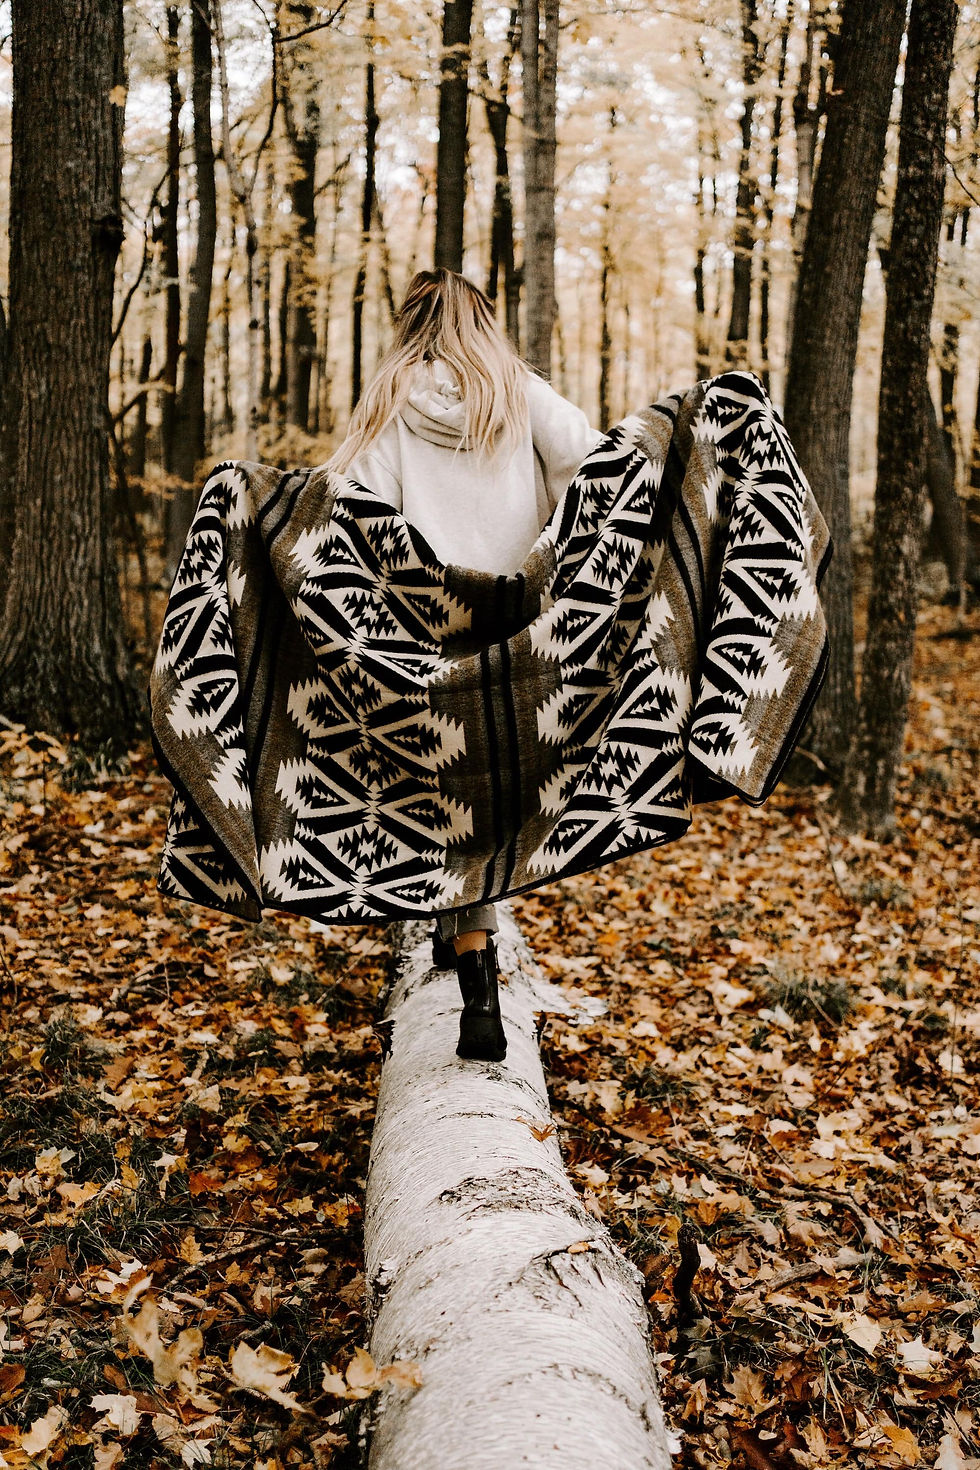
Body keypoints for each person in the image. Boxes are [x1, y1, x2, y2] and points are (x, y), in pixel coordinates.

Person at [325, 267, 603, 1062]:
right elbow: (593, 461)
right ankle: (470, 950)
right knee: (492, 792)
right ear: (481, 321)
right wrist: (553, 542)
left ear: (412, 323)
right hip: (516, 626)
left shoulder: (391, 400)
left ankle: (467, 955)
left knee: (445, 790)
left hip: (430, 629)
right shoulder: (519, 392)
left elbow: (348, 506)